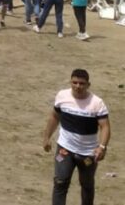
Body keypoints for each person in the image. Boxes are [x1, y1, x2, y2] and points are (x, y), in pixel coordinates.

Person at [42, 69, 110, 205]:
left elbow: (105, 127)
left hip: (88, 154)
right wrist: (46, 137)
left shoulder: (97, 103)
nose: (78, 86)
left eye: (82, 83)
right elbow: (54, 116)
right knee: (60, 182)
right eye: (75, 82)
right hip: (65, 150)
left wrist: (102, 147)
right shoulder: (62, 96)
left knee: (87, 185)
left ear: (88, 85)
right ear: (70, 82)